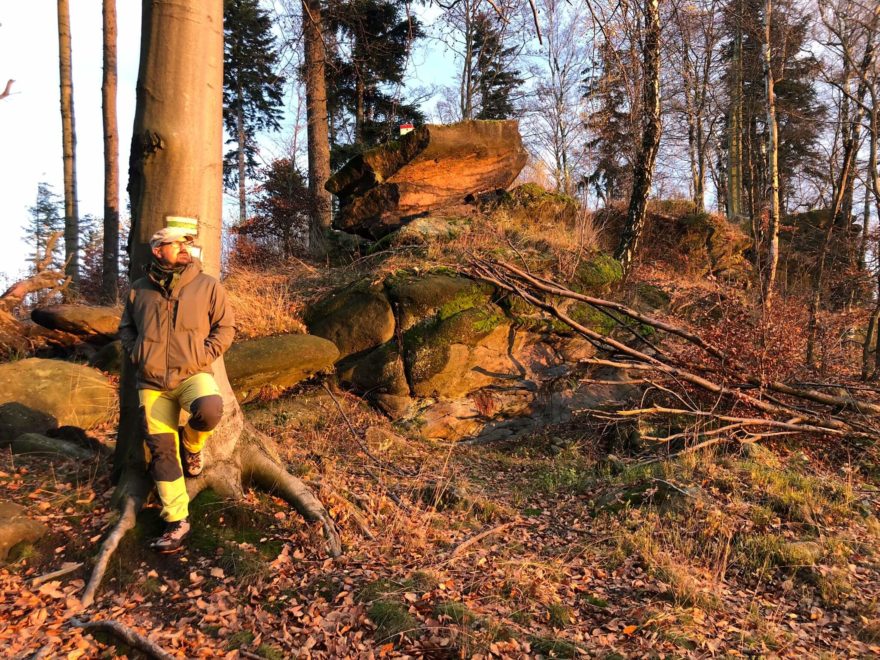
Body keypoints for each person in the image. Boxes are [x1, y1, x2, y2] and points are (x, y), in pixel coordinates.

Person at [118, 226, 235, 552]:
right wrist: (137, 352)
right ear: (158, 250)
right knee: (161, 453)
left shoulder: (207, 286)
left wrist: (204, 354)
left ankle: (193, 443)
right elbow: (125, 328)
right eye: (176, 243)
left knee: (210, 409)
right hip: (152, 383)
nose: (185, 247)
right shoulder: (138, 290)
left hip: (192, 373)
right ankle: (177, 521)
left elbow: (226, 328)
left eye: (187, 242)